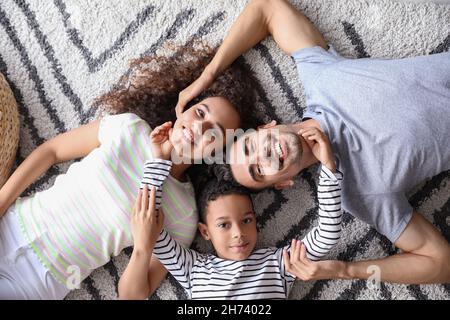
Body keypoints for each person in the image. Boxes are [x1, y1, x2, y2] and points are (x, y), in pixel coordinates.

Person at [175, 0, 450, 284]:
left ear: (265, 127)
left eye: (250, 147)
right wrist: (343, 270)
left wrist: (206, 77)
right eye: (258, 171)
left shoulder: (319, 76)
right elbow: (440, 262)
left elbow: (267, 8)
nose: (264, 156)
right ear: (283, 183)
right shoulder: (358, 193)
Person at [0, 44, 259, 299]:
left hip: (39, 282)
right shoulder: (129, 128)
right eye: (200, 113)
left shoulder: (185, 215)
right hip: (9, 224)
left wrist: (144, 247)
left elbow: (131, 296)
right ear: (185, 107)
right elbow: (51, 152)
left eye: (214, 132)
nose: (199, 128)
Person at [129, 124, 342, 299]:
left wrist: (329, 168)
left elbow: (327, 234)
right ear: (205, 232)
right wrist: (158, 161)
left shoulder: (279, 264)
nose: (238, 233)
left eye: (247, 220)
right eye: (223, 224)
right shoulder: (193, 269)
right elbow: (150, 225)